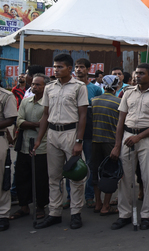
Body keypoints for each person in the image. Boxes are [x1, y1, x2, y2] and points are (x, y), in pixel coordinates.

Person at [32, 54, 88, 230]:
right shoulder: (49, 88)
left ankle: (76, 213)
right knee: (53, 176)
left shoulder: (79, 87)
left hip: (71, 133)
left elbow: (83, 115)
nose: (55, 70)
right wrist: (39, 139)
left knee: (76, 176)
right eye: (54, 67)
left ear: (69, 68)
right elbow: (45, 115)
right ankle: (54, 213)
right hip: (52, 134)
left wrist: (79, 141)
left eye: (59, 67)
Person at [110, 63, 149, 231]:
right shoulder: (127, 93)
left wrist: (139, 137)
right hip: (127, 137)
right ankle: (124, 214)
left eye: (142, 73)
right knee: (125, 178)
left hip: (147, 138)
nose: (137, 76)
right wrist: (116, 145)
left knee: (148, 177)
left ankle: (146, 215)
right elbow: (121, 120)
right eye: (136, 73)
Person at [10, 75, 46, 224]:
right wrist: (36, 125)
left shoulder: (47, 104)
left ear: (45, 87)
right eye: (33, 84)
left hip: (42, 146)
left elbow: (46, 122)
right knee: (21, 176)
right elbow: (19, 121)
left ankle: (40, 206)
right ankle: (24, 206)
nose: (34, 87)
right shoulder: (26, 101)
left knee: (40, 178)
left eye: (38, 84)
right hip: (24, 145)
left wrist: (29, 124)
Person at [74, 58, 103, 208]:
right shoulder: (72, 88)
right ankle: (71, 197)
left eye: (81, 67)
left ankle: (90, 195)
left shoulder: (95, 89)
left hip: (91, 132)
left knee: (91, 165)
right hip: (73, 132)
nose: (78, 70)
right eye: (77, 67)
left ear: (88, 69)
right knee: (72, 164)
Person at [90, 75, 121, 215]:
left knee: (95, 172)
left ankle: (98, 203)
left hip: (95, 141)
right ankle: (106, 206)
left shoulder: (94, 101)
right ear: (116, 87)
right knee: (109, 173)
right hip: (111, 142)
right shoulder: (119, 102)